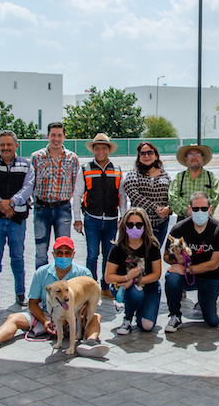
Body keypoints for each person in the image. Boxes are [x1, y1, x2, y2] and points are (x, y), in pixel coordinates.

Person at [0, 237, 109, 358]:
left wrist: (67, 319)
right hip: (46, 314)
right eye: (59, 253)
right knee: (13, 318)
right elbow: (32, 303)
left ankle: (90, 343)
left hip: (73, 316)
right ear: (53, 254)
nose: (63, 256)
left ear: (73, 254)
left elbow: (86, 305)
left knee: (95, 317)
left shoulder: (84, 274)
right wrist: (45, 321)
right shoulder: (42, 272)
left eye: (67, 253)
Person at [0, 130, 35, 308]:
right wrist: (1, 205)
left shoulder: (26, 165)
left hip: (17, 220)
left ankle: (20, 294)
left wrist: (11, 203)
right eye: (2, 145)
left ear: (16, 145)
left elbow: (28, 188)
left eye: (9, 144)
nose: (5, 148)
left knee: (18, 257)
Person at [163, 192, 219, 332]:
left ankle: (206, 301)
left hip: (211, 277)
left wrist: (186, 269)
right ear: (189, 209)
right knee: (171, 277)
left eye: (204, 209)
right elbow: (166, 256)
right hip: (187, 277)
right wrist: (176, 260)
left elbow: (214, 264)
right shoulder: (179, 228)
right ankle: (175, 315)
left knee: (213, 321)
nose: (200, 212)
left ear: (210, 209)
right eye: (196, 209)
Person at [72, 133, 127, 296]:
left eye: (104, 148)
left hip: (112, 219)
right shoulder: (85, 169)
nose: (100, 151)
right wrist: (77, 219)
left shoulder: (117, 170)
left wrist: (123, 217)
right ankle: (90, 286)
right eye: (97, 148)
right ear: (93, 150)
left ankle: (105, 287)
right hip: (92, 219)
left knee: (109, 255)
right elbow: (77, 194)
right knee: (92, 254)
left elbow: (122, 195)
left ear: (108, 150)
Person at [104, 207, 162, 335]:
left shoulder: (152, 246)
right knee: (136, 293)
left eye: (138, 224)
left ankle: (140, 309)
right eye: (130, 224)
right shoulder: (117, 248)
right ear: (124, 226)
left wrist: (134, 280)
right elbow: (108, 277)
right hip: (123, 287)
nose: (134, 228)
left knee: (147, 326)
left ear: (145, 226)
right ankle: (128, 318)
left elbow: (156, 274)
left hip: (149, 286)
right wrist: (126, 278)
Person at [31, 121, 79, 269]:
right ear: (47, 136)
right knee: (40, 251)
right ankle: (42, 285)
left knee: (63, 250)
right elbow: (30, 183)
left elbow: (75, 185)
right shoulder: (36, 157)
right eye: (53, 135)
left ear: (64, 137)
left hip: (62, 209)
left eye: (59, 135)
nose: (56, 138)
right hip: (41, 208)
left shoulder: (72, 158)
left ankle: (62, 286)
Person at [123, 141, 172, 246]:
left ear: (156, 155)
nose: (146, 156)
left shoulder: (164, 174)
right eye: (143, 153)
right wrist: (155, 208)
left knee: (155, 254)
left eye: (150, 153)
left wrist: (169, 209)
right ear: (139, 156)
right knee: (138, 255)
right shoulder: (134, 173)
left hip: (161, 223)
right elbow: (133, 193)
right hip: (139, 224)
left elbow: (173, 194)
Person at [168, 144, 219, 219]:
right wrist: (186, 210)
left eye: (198, 154)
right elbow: (173, 197)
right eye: (190, 155)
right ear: (186, 158)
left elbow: (216, 196)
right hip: (184, 218)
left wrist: (203, 211)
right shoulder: (179, 177)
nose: (194, 157)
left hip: (206, 218)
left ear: (203, 157)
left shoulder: (211, 177)